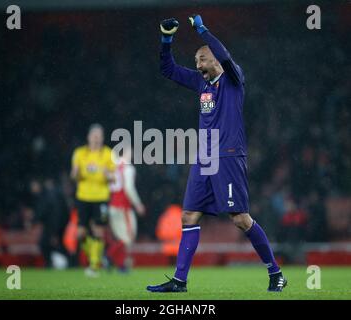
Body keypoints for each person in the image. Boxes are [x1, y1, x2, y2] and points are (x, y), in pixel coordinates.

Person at [147, 15, 287, 292]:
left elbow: (224, 54)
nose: (197, 65)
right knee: (189, 216)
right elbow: (168, 69)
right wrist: (166, 39)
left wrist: (202, 30)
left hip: (229, 156)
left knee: (240, 219)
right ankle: (179, 281)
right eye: (196, 61)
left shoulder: (234, 78)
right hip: (205, 158)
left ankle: (275, 273)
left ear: (215, 60)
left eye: (202, 59)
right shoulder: (202, 84)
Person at [71, 124, 115, 277]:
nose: (96, 138)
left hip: (101, 197)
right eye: (94, 135)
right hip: (83, 197)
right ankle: (95, 257)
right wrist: (76, 174)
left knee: (98, 230)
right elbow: (74, 176)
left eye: (99, 136)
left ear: (102, 138)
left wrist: (107, 174)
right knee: (81, 233)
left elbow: (113, 177)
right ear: (88, 137)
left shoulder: (108, 154)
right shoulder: (80, 153)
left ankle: (94, 264)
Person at [107, 146, 145, 272]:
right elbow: (129, 188)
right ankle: (109, 256)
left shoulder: (112, 167)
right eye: (130, 152)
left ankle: (120, 265)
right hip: (123, 207)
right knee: (128, 237)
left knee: (121, 237)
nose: (132, 154)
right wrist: (138, 204)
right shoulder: (128, 168)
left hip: (112, 205)